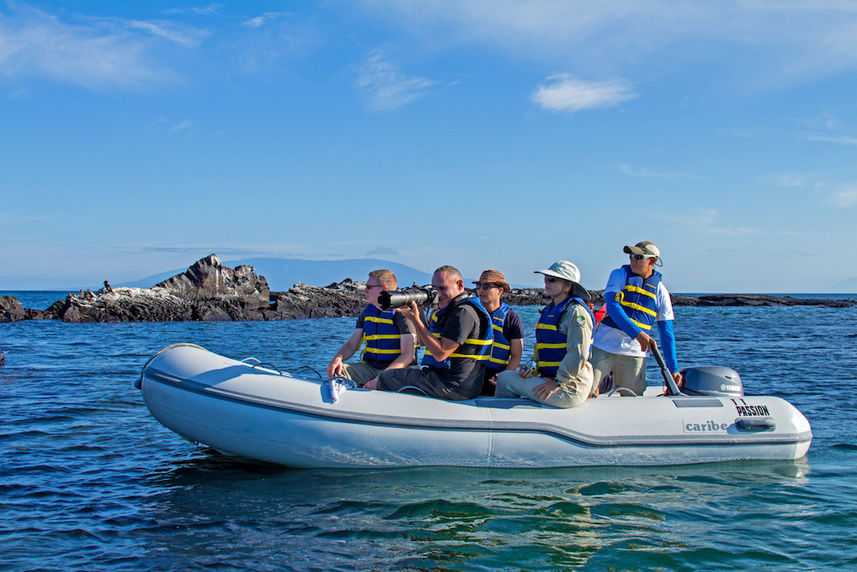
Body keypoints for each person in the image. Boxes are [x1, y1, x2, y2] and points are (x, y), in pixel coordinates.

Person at [364, 265, 493, 400]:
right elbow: (426, 341)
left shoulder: (463, 313)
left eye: (442, 288)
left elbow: (440, 354)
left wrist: (417, 322)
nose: (438, 294)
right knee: (403, 374)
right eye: (435, 289)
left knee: (387, 377)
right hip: (455, 381)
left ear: (460, 285)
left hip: (452, 385)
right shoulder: (454, 310)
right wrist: (418, 311)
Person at [496, 260, 595, 408]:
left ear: (568, 286)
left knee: (504, 379)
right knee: (513, 377)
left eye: (552, 280)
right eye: (546, 279)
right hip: (555, 381)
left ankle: (500, 422)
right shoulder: (552, 310)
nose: (546, 283)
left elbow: (579, 352)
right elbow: (542, 350)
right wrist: (531, 369)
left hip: (569, 389)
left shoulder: (576, 313)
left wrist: (558, 382)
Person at [591, 241, 681, 396]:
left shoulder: (660, 291)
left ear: (652, 261)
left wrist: (673, 369)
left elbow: (666, 333)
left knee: (632, 397)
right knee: (587, 388)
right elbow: (612, 307)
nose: (632, 260)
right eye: (631, 256)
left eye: (638, 257)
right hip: (603, 345)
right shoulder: (619, 275)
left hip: (634, 353)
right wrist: (638, 334)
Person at [326, 269, 417, 386]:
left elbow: (408, 356)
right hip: (372, 368)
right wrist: (338, 358)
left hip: (400, 371)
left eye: (369, 287)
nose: (365, 290)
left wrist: (382, 378)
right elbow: (351, 344)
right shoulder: (366, 313)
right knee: (338, 371)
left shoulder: (402, 313)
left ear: (383, 289)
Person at [472, 269, 524, 395]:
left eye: (486, 286)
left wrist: (502, 376)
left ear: (500, 291)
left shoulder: (511, 318)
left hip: (495, 376)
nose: (481, 290)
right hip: (471, 373)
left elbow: (516, 355)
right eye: (478, 286)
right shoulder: (471, 313)